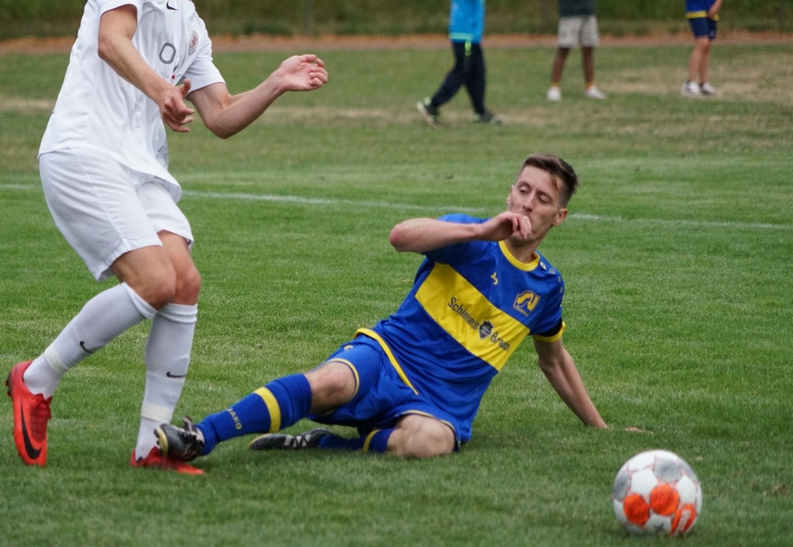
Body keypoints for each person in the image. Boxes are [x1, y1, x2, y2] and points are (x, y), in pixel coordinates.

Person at [5, 0, 328, 474]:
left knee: (183, 283)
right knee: (154, 281)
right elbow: (112, 39)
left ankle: (150, 445)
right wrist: (159, 89)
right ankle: (36, 379)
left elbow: (221, 116)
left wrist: (276, 82)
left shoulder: (192, 24)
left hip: (140, 168)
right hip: (85, 149)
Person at [157, 154, 608, 466]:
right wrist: (477, 231)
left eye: (542, 198)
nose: (527, 203)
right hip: (390, 354)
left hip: (440, 403)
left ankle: (327, 445)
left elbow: (554, 361)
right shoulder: (470, 236)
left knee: (429, 443)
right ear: (509, 193)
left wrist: (600, 428)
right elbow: (400, 237)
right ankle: (202, 436)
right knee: (330, 381)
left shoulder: (545, 287)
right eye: (523, 190)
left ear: (559, 216)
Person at [416, 0, 501, 127]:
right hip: (464, 34)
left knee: (477, 72)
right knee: (462, 70)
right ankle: (431, 105)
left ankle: (480, 112)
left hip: (473, 34)